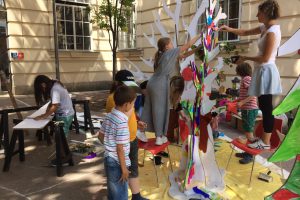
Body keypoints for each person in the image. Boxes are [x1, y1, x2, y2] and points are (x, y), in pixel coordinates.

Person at [220, 0, 281, 149]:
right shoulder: (265, 28)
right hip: (262, 70)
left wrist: (245, 58)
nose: (256, 15)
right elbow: (245, 32)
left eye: (259, 13)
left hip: (267, 71)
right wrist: (229, 29)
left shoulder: (272, 32)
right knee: (263, 106)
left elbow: (265, 58)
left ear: (266, 13)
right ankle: (263, 140)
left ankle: (266, 142)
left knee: (266, 108)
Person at [141, 35, 201, 145]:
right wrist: (200, 35)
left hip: (153, 83)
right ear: (167, 46)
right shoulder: (169, 52)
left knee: (149, 108)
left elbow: (185, 54)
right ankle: (159, 136)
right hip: (160, 85)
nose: (173, 45)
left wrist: (198, 49)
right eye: (171, 43)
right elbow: (187, 46)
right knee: (161, 111)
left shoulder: (165, 55)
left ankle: (141, 131)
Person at [105, 70, 148, 200]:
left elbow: (127, 117)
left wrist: (136, 122)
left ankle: (136, 195)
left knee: (133, 167)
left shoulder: (125, 97)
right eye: (132, 104)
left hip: (131, 138)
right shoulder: (114, 99)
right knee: (122, 174)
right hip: (123, 141)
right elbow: (120, 120)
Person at [98, 85, 136, 200]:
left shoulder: (109, 116)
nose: (133, 107)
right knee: (120, 194)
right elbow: (120, 148)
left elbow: (100, 136)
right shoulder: (122, 123)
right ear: (126, 105)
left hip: (108, 158)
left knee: (113, 190)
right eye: (132, 104)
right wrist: (124, 169)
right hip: (118, 163)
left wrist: (109, 145)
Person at [33, 75, 74, 165]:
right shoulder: (54, 84)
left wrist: (44, 116)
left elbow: (55, 106)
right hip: (65, 114)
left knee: (60, 137)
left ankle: (63, 159)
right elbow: (53, 103)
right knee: (60, 136)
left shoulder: (54, 89)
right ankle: (64, 155)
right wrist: (46, 111)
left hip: (64, 116)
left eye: (41, 89)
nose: (42, 91)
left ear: (43, 85)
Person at [235, 62, 259, 164]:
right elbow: (246, 94)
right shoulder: (246, 79)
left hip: (249, 110)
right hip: (247, 109)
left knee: (249, 132)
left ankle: (250, 155)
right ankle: (247, 151)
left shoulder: (246, 79)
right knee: (247, 130)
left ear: (241, 71)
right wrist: (238, 101)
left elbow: (253, 94)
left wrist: (242, 102)